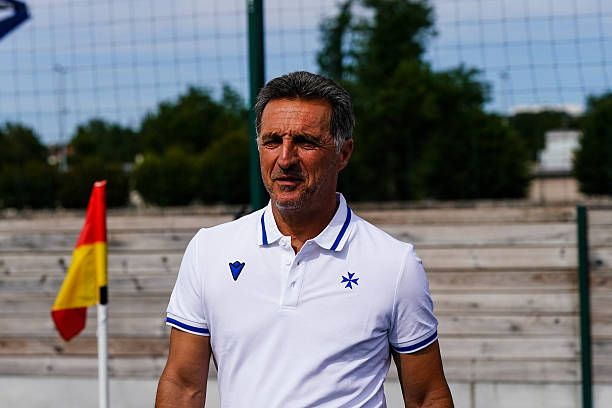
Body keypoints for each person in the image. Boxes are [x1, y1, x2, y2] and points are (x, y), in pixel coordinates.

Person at [155, 71, 453, 407]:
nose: (285, 159)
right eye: (272, 141)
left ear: (343, 153)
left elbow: (428, 397)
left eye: (305, 142)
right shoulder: (209, 250)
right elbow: (182, 386)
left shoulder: (394, 264)